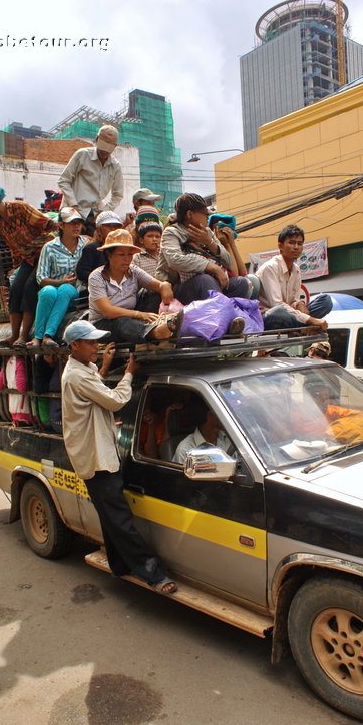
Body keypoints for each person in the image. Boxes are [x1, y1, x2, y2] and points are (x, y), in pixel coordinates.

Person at [61, 319, 177, 593]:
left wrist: (101, 367)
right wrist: (129, 373)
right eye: (90, 343)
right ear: (74, 345)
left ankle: (120, 565)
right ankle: (154, 573)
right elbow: (114, 401)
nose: (96, 347)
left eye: (96, 342)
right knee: (120, 519)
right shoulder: (77, 375)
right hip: (96, 457)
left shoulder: (82, 370)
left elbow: (93, 388)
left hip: (96, 454)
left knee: (110, 516)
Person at [0, 181, 57, 348]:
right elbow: (14, 248)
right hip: (27, 258)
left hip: (44, 253)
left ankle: (24, 336)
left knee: (30, 288)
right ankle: (13, 335)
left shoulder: (20, 208)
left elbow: (49, 225)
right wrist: (15, 268)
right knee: (15, 288)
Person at [88, 229, 183, 344]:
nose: (127, 259)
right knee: (122, 322)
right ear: (109, 255)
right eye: (121, 254)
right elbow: (107, 311)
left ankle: (163, 321)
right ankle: (155, 332)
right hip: (103, 325)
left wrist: (165, 286)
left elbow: (158, 285)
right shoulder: (96, 277)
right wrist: (139, 315)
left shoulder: (134, 271)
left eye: (129, 254)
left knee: (153, 294)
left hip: (130, 318)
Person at [156, 193, 250, 305]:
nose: (207, 217)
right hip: (177, 288)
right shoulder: (171, 232)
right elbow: (175, 260)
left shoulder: (208, 232)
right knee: (205, 280)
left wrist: (209, 243)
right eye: (205, 214)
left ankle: (235, 316)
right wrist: (212, 267)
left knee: (242, 283)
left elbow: (228, 262)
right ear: (190, 214)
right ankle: (222, 317)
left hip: (211, 281)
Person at [27, 207, 87, 349]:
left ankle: (48, 335)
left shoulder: (86, 244)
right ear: (61, 225)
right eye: (72, 223)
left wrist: (65, 284)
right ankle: (38, 336)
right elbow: (41, 278)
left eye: (78, 223)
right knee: (48, 291)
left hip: (75, 291)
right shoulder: (49, 247)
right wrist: (61, 281)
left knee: (66, 289)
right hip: (53, 289)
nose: (77, 226)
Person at [257, 225, 332, 332]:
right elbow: (277, 304)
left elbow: (293, 301)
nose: (296, 247)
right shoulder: (270, 268)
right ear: (280, 246)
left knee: (326, 300)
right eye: (291, 243)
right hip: (271, 317)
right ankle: (305, 326)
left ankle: (302, 326)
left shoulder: (296, 269)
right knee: (279, 311)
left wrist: (299, 304)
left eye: (300, 244)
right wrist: (311, 319)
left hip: (290, 315)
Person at [58, 125, 123, 236]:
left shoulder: (115, 166)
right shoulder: (82, 155)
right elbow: (64, 180)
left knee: (91, 249)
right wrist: (74, 205)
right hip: (71, 212)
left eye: (108, 149)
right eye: (102, 147)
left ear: (115, 147)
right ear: (97, 140)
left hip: (94, 215)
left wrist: (104, 212)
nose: (104, 152)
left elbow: (118, 195)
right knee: (69, 248)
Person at [208, 213, 260, 299]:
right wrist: (227, 245)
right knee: (243, 282)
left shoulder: (228, 246)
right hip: (221, 288)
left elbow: (243, 273)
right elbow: (235, 274)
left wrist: (231, 244)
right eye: (218, 229)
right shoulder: (211, 248)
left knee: (252, 280)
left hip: (235, 285)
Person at [173, 399, 233, 464]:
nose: (227, 416)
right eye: (222, 412)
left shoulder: (230, 439)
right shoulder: (186, 450)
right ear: (210, 416)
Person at [76, 211, 123, 286]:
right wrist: (102, 278)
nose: (113, 228)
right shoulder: (92, 248)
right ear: (99, 228)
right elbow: (82, 272)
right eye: (108, 225)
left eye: (116, 226)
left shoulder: (124, 247)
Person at [131, 207, 163, 276]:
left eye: (157, 236)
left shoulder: (163, 254)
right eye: (150, 236)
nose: (154, 239)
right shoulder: (136, 258)